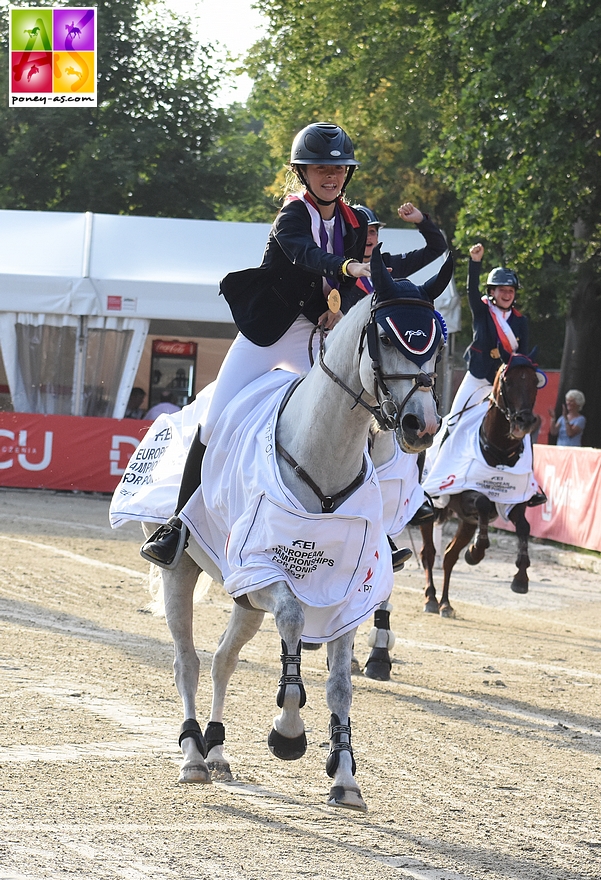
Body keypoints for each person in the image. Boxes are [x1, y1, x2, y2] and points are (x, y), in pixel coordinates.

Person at [141, 122, 374, 568]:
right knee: (213, 420)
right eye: (320, 168)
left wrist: (340, 304)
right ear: (302, 173)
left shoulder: (357, 220)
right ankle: (177, 525)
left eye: (339, 168)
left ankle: (365, 528)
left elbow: (354, 280)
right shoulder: (291, 214)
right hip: (269, 333)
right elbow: (308, 256)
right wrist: (345, 268)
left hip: (317, 332)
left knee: (344, 418)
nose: (331, 176)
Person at [448, 243, 529, 420]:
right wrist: (475, 262)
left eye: (511, 291)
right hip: (479, 375)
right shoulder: (482, 310)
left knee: (523, 422)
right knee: (455, 420)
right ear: (492, 291)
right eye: (502, 290)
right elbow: (471, 291)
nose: (507, 295)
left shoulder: (521, 321)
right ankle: (440, 447)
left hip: (507, 382)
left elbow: (523, 354)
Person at [352, 203, 447, 296]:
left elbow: (437, 247)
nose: (368, 237)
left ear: (377, 236)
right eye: (362, 232)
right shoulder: (341, 269)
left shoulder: (391, 264)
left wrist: (421, 220)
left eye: (372, 231)